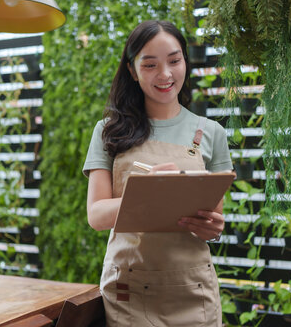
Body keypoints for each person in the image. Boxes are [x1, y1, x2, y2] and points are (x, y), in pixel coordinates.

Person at [82, 20, 233, 327]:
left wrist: (213, 228)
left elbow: (213, 223)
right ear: (132, 71)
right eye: (150, 65)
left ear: (185, 63)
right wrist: (145, 193)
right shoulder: (108, 132)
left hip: (193, 290)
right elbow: (96, 216)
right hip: (129, 290)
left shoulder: (211, 133)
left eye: (174, 61)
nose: (165, 74)